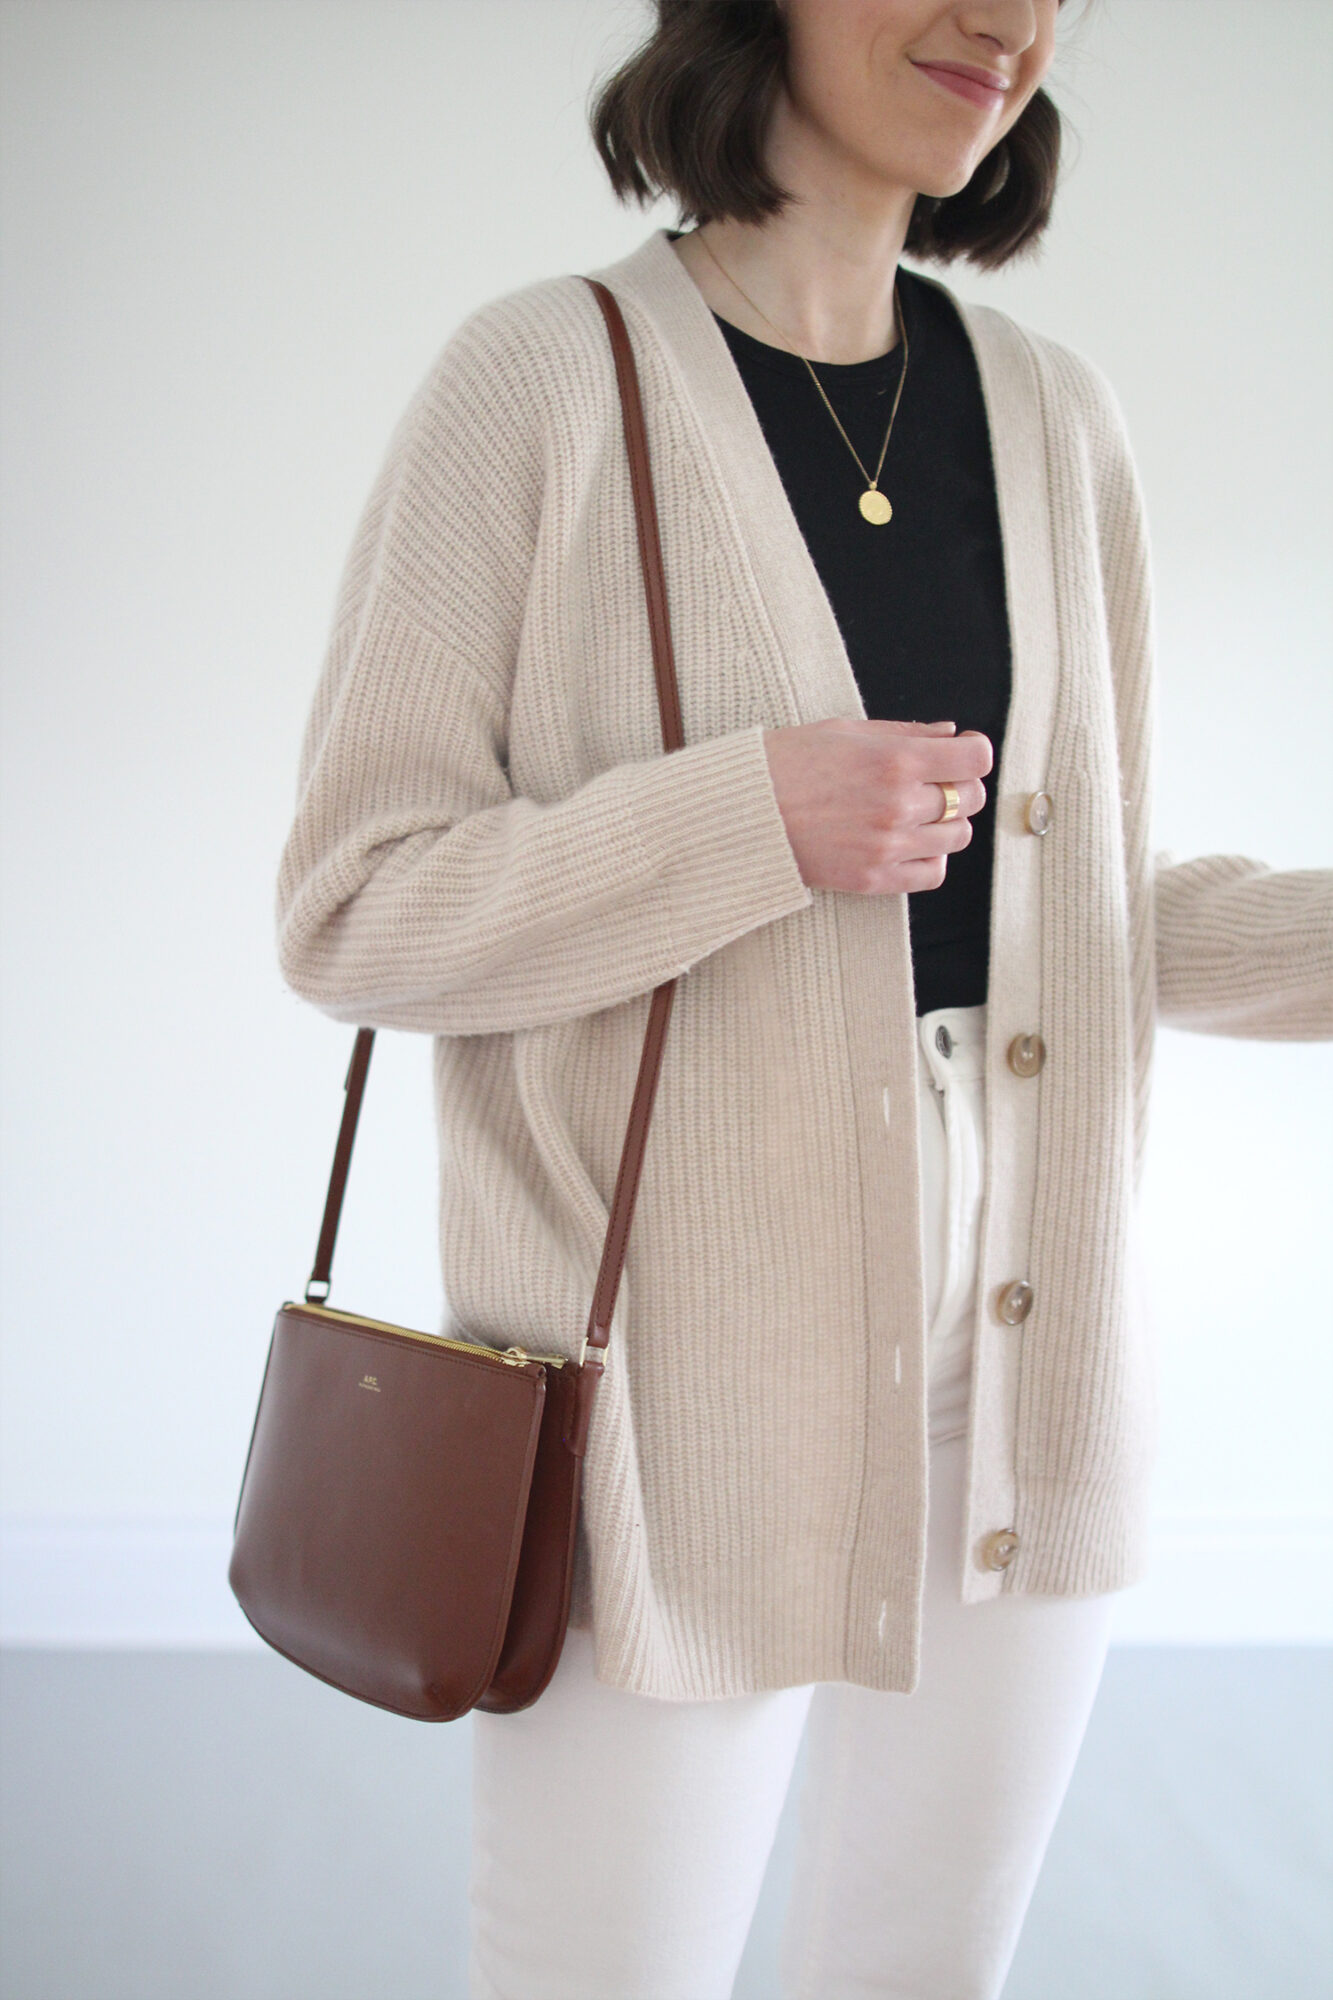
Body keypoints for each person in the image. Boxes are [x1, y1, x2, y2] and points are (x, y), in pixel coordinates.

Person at [272, 2, 1333, 1994]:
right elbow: (356, 910)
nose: (1007, 21)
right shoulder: (540, 382)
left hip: (1025, 1362)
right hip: (669, 1384)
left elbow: (1078, 912)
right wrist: (741, 819)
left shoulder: (1051, 413)